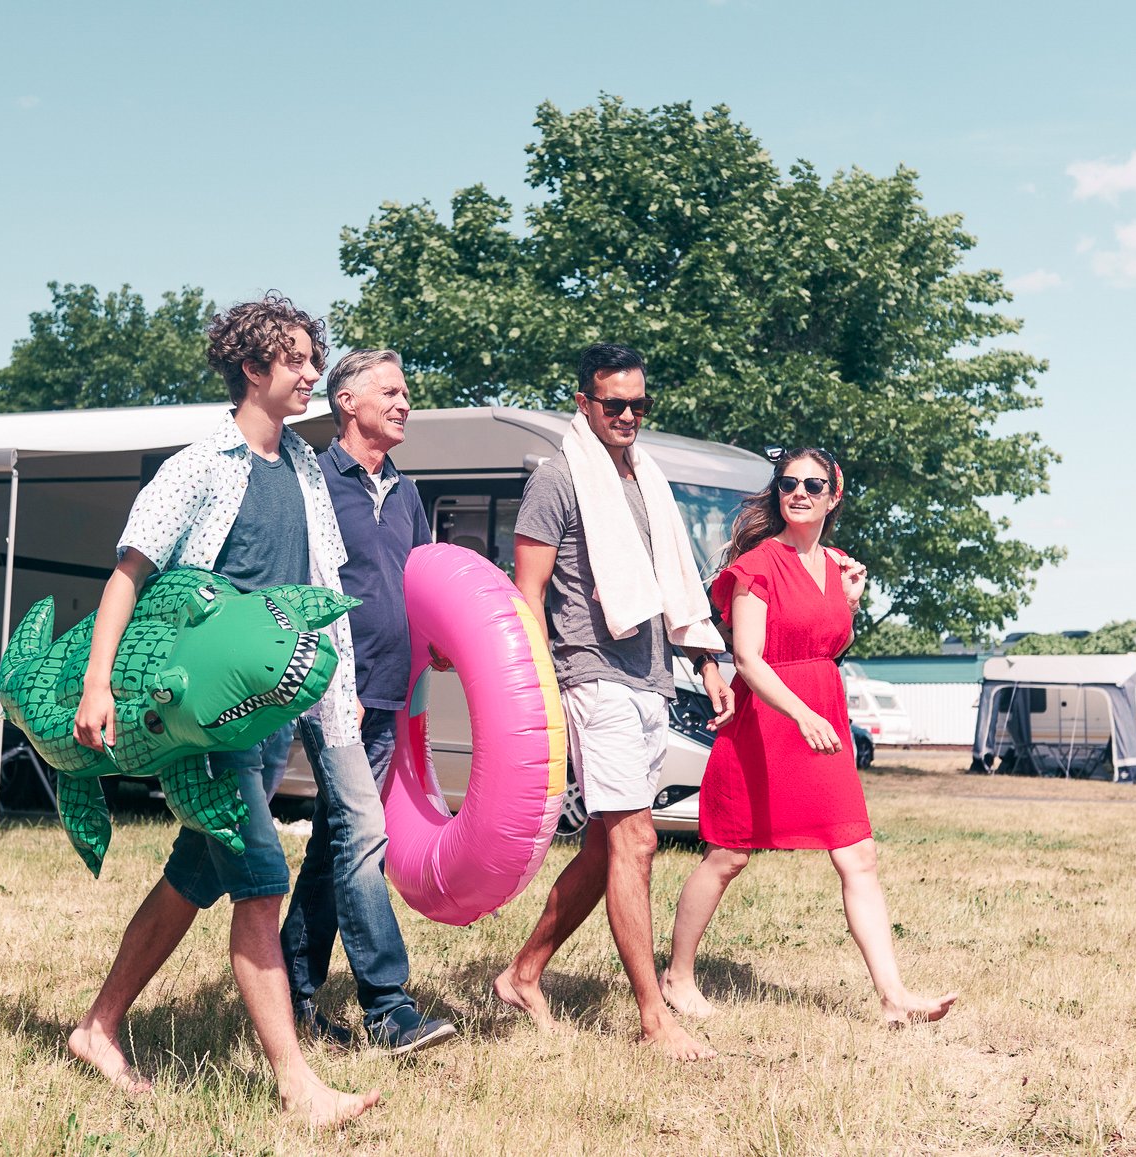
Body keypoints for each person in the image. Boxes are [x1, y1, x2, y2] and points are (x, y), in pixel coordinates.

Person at [63, 293, 379, 1128]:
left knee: (194, 872)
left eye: (316, 358)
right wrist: (99, 682)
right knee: (260, 883)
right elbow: (129, 573)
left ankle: (96, 1026)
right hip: (201, 715)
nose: (313, 372)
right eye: (299, 359)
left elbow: (319, 590)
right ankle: (296, 1084)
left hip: (266, 715)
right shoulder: (199, 464)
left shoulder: (304, 469)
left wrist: (330, 709)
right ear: (252, 368)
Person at [490, 343, 735, 1062]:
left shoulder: (644, 477)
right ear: (583, 403)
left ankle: (522, 973)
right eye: (613, 403)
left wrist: (705, 657)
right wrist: (536, 688)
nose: (628, 415)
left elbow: (674, 584)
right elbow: (527, 592)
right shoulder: (560, 479)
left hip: (649, 673)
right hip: (590, 677)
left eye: (638, 403)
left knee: (605, 846)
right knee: (637, 840)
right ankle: (654, 1017)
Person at [661, 449, 958, 1028]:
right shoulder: (757, 566)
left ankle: (894, 996)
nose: (798, 492)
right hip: (770, 721)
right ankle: (677, 974)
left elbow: (826, 648)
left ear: (833, 495)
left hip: (822, 717)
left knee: (858, 855)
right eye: (788, 483)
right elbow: (746, 658)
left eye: (812, 484)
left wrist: (847, 604)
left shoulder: (839, 565)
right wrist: (800, 714)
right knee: (728, 856)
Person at [278, 349, 456, 1055]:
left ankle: (291, 989)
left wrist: (439, 642)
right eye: (390, 390)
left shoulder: (406, 491)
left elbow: (414, 581)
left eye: (406, 390)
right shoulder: (314, 481)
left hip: (390, 690)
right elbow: (299, 589)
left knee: (336, 841)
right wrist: (328, 686)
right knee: (362, 839)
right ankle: (388, 1005)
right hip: (335, 693)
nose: (404, 402)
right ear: (346, 401)